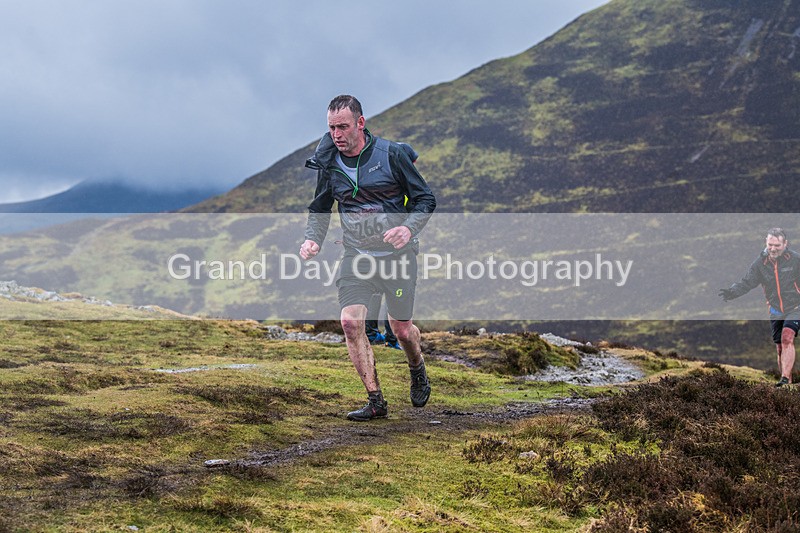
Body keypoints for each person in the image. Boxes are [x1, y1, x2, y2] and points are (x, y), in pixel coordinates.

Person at [300, 95, 437, 420]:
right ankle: (375, 401)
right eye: (332, 127)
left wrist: (407, 229)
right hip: (357, 255)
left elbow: (425, 199)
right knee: (350, 323)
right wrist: (312, 239)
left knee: (401, 330)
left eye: (343, 126)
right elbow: (320, 207)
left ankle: (417, 366)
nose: (337, 134)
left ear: (360, 123)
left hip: (397, 256)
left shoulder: (391, 155)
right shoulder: (329, 162)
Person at [719, 227, 800, 386]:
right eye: (770, 245)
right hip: (775, 310)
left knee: (787, 337)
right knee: (779, 347)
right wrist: (732, 292)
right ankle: (787, 383)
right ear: (766, 243)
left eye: (777, 245)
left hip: (795, 307)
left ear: (785, 244)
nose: (773, 249)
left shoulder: (795, 260)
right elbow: (747, 282)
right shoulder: (760, 263)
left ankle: (784, 378)